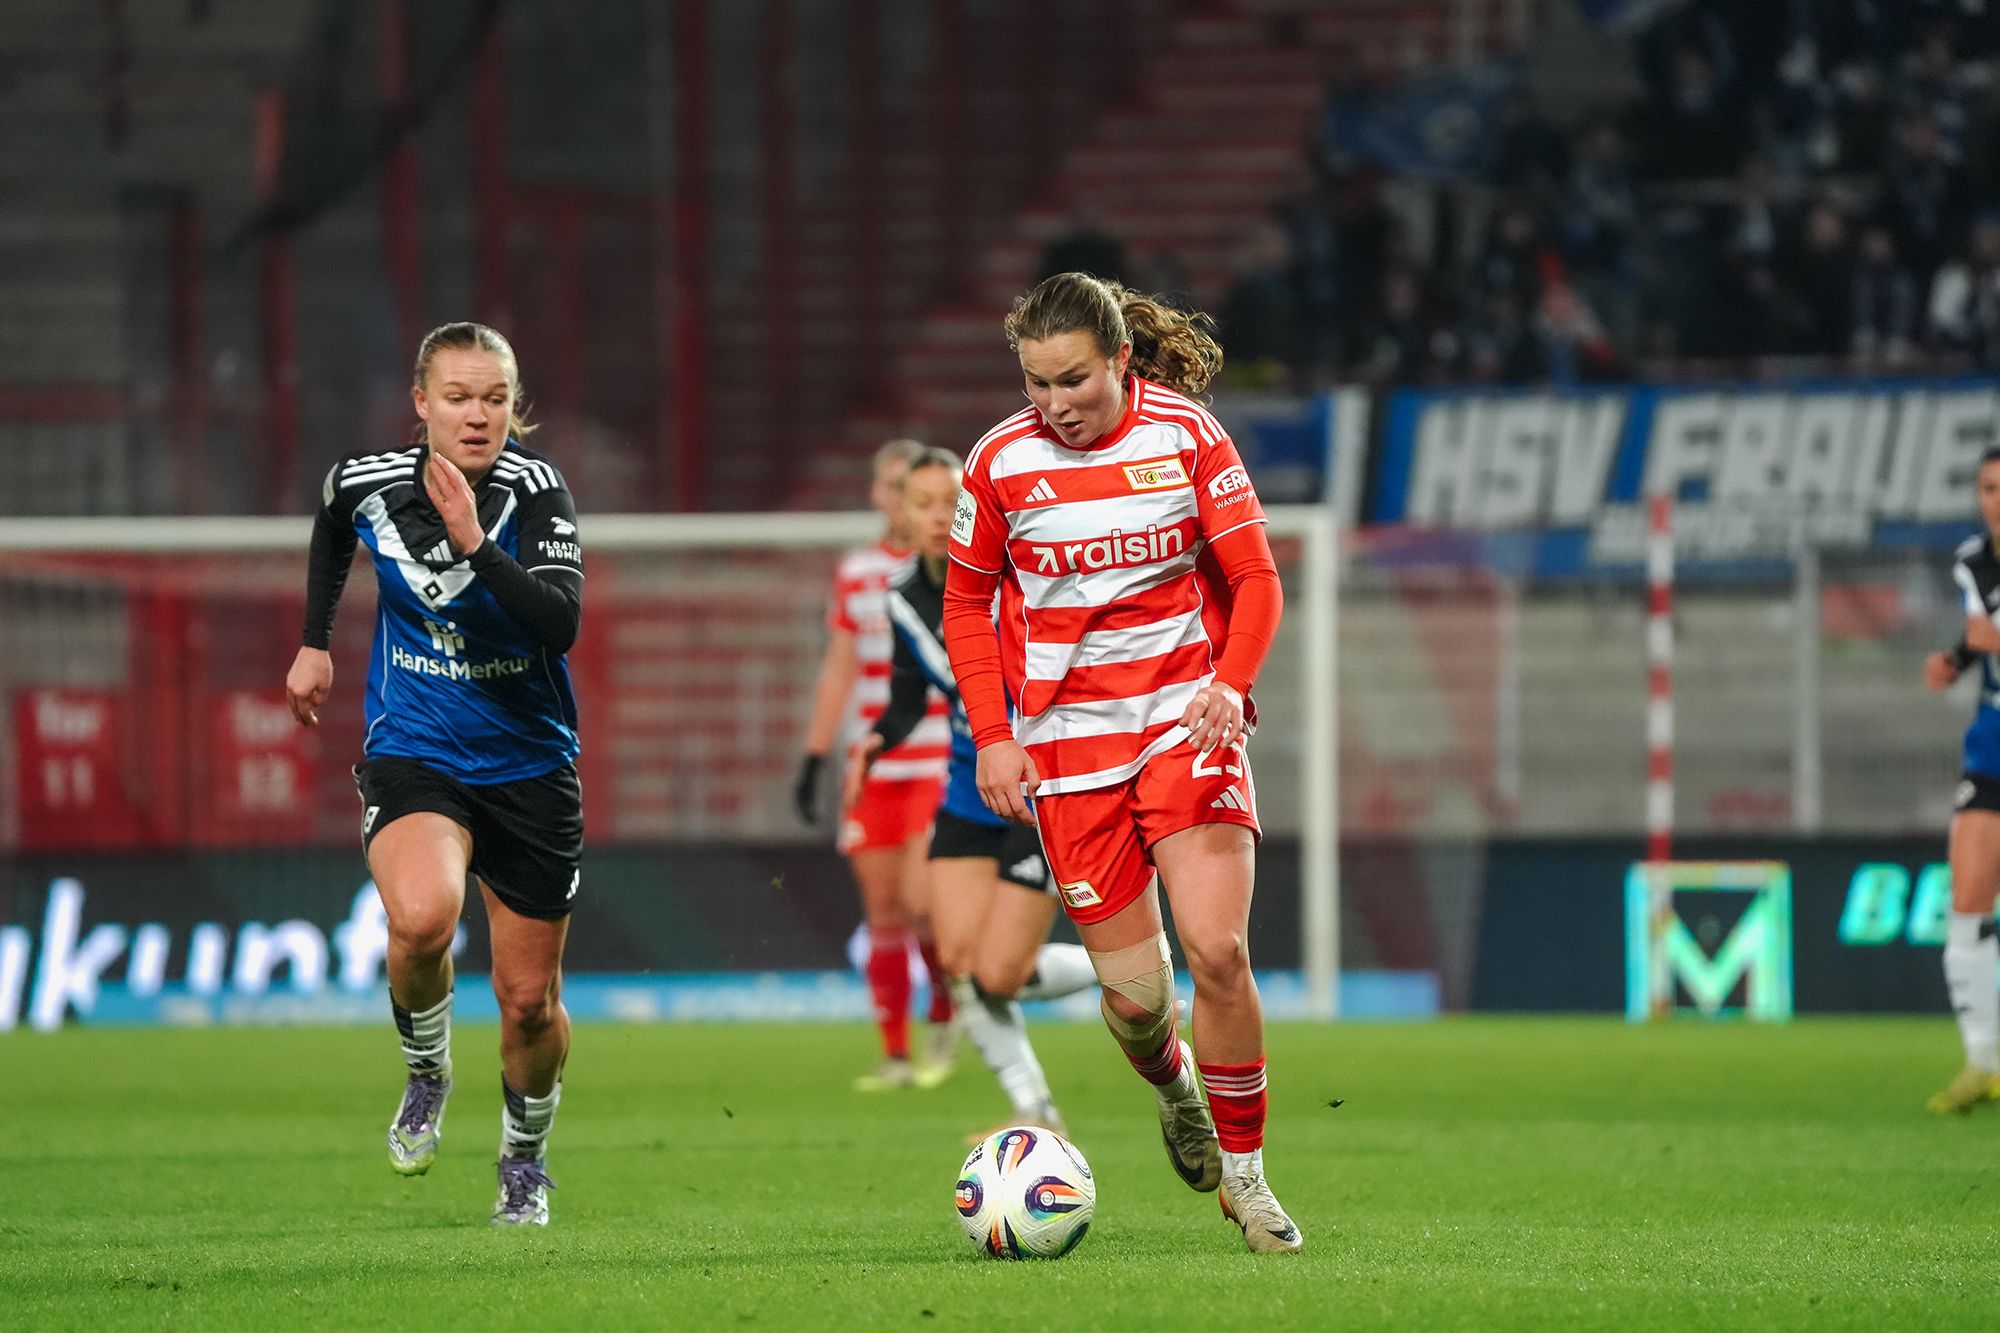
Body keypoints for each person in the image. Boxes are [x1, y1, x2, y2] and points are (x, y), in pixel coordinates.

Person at [942, 272, 1299, 1253]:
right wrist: (995, 734)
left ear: (1121, 360)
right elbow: (966, 605)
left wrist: (1227, 682)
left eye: (1072, 381)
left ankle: (1247, 1179)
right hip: (1065, 751)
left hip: (1183, 726)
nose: (1054, 405)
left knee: (1218, 951)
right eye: (1035, 385)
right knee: (1139, 1003)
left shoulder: (1185, 436)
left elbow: (1255, 576)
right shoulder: (998, 464)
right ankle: (1172, 1084)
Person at [285, 321, 584, 1226]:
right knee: (420, 920)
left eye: (495, 398)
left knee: (529, 1004)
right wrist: (313, 642)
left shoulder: (539, 493)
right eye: (458, 397)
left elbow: (559, 622)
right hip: (416, 750)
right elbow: (334, 524)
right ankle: (427, 1068)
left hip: (531, 765)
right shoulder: (367, 479)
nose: (478, 414)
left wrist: (473, 542)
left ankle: (524, 1161)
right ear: (422, 404)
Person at [842, 447, 1100, 1138]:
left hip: (1038, 780)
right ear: (898, 507)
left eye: (947, 501)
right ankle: (1037, 1110)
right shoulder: (900, 598)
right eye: (919, 501)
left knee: (999, 971)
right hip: (968, 786)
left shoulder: (1013, 576)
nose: (934, 516)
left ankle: (1131, 972)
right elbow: (906, 696)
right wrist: (876, 739)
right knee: (957, 961)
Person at [795, 440, 957, 1091]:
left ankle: (946, 1007)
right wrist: (814, 753)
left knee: (923, 903)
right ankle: (895, 1053)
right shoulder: (857, 570)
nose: (901, 499)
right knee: (885, 910)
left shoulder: (950, 570)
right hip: (874, 759)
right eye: (893, 486)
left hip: (938, 754)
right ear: (879, 495)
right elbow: (840, 665)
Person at [1923, 444, 2000, 1114]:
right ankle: (1982, 1060)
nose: (1996, 498)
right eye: (1988, 486)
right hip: (1993, 740)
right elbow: (1981, 635)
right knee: (1969, 898)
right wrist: (1954, 658)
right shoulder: (1974, 559)